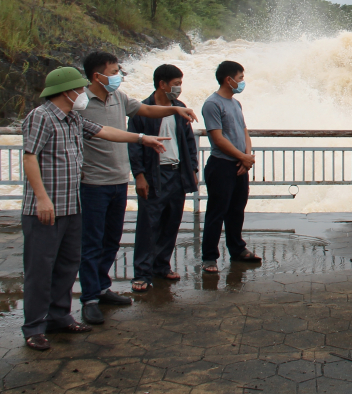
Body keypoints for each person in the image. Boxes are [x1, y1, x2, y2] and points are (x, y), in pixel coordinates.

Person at [21, 66, 170, 351]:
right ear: (67, 92)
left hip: (72, 204)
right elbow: (30, 158)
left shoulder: (73, 118)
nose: (83, 93)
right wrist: (41, 198)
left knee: (66, 265)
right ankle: (34, 328)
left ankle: (59, 317)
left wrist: (142, 139)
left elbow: (106, 132)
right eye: (79, 89)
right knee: (40, 269)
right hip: (46, 208)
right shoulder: (40, 117)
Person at [78, 51, 198, 325]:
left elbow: (146, 111)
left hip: (120, 181)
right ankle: (90, 299)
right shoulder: (80, 102)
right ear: (97, 75)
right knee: (93, 242)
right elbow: (117, 135)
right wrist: (142, 160)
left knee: (111, 240)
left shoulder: (119, 98)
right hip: (94, 183)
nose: (119, 75)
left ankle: (103, 288)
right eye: (114, 70)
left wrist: (175, 108)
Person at [127, 64, 200, 291]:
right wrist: (139, 175)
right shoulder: (142, 109)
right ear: (162, 84)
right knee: (149, 225)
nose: (179, 88)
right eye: (176, 84)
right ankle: (142, 273)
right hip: (154, 174)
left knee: (171, 222)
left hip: (177, 173)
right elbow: (135, 146)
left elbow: (188, 142)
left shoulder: (180, 108)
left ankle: (161, 266)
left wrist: (194, 171)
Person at [200, 60, 261, 273]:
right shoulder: (212, 104)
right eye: (240, 78)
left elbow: (244, 131)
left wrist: (246, 156)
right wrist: (242, 158)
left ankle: (237, 249)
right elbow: (217, 138)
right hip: (221, 166)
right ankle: (209, 257)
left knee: (236, 210)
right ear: (229, 79)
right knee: (217, 212)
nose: (242, 82)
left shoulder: (235, 103)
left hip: (238, 164)